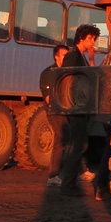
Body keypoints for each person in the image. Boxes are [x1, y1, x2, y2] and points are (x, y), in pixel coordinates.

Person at [55, 24, 100, 195]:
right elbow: (69, 80)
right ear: (82, 38)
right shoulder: (73, 56)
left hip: (78, 106)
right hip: (75, 107)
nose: (92, 42)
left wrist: (92, 58)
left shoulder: (80, 56)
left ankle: (69, 183)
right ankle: (67, 184)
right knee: (76, 145)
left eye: (94, 39)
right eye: (90, 38)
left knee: (79, 144)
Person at [44, 45, 72, 187]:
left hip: (67, 111)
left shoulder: (67, 73)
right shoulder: (50, 73)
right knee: (63, 140)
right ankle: (54, 176)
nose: (66, 58)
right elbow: (49, 98)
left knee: (62, 141)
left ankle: (56, 175)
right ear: (56, 56)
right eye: (63, 55)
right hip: (55, 111)